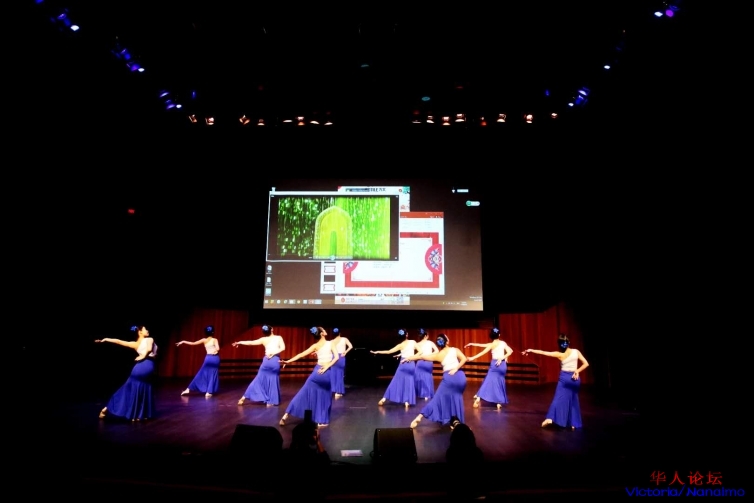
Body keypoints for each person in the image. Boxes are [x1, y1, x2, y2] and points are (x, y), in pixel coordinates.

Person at [522, 333, 589, 430]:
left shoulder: (559, 354)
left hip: (565, 378)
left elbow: (544, 352)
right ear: (568, 342)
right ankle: (573, 423)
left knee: (558, 398)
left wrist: (531, 350)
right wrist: (577, 371)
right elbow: (586, 363)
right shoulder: (576, 352)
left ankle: (550, 418)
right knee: (573, 400)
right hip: (575, 380)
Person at [404, 333, 467, 429]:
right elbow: (464, 359)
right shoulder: (455, 350)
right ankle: (455, 421)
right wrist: (456, 368)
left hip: (449, 378)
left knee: (437, 399)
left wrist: (409, 358)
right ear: (447, 341)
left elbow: (422, 357)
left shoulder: (438, 355)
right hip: (461, 378)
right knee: (455, 398)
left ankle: (420, 416)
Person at [95, 325, 157, 421]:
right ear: (140, 332)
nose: (148, 330)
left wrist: (106, 339)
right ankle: (139, 414)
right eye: (145, 329)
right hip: (146, 366)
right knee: (141, 388)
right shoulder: (149, 339)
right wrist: (143, 356)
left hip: (139, 368)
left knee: (127, 390)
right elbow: (149, 349)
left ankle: (107, 409)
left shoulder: (135, 344)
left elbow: (119, 341)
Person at [279, 327, 339, 427]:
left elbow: (301, 354)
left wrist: (288, 361)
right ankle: (321, 421)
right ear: (322, 334)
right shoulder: (330, 343)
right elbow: (336, 357)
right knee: (325, 396)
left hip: (316, 374)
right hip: (326, 374)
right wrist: (327, 366)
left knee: (302, 394)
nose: (325, 331)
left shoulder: (315, 346)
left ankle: (286, 415)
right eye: (324, 330)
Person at [234, 324, 285, 406]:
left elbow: (251, 343)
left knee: (258, 379)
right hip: (274, 361)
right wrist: (273, 354)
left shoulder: (263, 339)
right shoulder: (278, 338)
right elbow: (283, 348)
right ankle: (271, 401)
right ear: (272, 329)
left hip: (266, 361)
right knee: (273, 380)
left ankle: (243, 397)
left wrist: (240, 342)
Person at [465, 327, 513, 410]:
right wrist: (503, 358)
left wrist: (472, 358)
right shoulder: (503, 343)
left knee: (487, 381)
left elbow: (483, 352)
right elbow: (510, 351)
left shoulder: (492, 345)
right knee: (499, 382)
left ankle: (478, 398)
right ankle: (498, 402)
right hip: (502, 365)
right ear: (499, 335)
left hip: (495, 365)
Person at [370, 328, 417, 408]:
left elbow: (389, 351)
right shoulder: (413, 342)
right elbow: (419, 352)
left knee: (396, 381)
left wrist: (377, 352)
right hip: (411, 364)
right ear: (407, 335)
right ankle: (406, 401)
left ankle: (384, 398)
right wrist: (410, 357)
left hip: (403, 364)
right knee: (409, 381)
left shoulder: (400, 345)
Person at [176, 325, 220, 398]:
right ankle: (209, 392)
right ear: (213, 332)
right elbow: (218, 348)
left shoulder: (204, 340)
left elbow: (193, 343)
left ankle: (188, 389)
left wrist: (183, 341)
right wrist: (214, 351)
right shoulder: (215, 340)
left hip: (208, 358)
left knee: (201, 374)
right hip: (215, 359)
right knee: (212, 374)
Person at [414, 328, 438, 401]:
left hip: (420, 362)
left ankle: (419, 393)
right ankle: (427, 394)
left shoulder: (417, 344)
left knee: (418, 377)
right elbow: (437, 351)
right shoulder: (430, 343)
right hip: (428, 361)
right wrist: (429, 355)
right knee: (427, 376)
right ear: (425, 336)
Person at [328, 327, 353, 398]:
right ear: (339, 333)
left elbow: (329, 351)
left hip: (333, 357)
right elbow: (351, 346)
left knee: (333, 374)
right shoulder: (344, 339)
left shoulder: (331, 341)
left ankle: (334, 390)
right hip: (341, 357)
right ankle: (338, 392)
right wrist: (345, 352)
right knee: (340, 374)